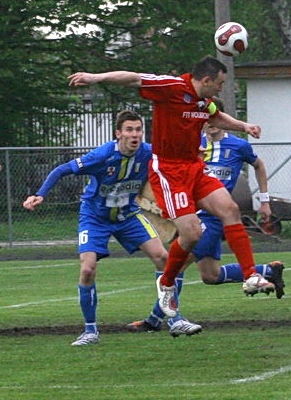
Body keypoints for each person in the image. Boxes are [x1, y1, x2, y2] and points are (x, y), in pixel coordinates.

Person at [68, 56, 273, 319]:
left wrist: (243, 126)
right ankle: (166, 282)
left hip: (194, 168)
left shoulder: (204, 101)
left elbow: (216, 116)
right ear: (207, 80)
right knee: (191, 235)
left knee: (230, 209)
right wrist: (96, 77)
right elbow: (133, 77)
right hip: (169, 171)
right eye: (220, 83)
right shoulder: (171, 87)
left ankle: (251, 275)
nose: (222, 88)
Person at [23, 110, 201, 344]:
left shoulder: (149, 153)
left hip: (128, 215)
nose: (134, 135)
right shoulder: (102, 155)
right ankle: (90, 331)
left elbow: (174, 161)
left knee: (163, 258)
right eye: (129, 130)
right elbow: (61, 170)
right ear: (118, 133)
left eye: (138, 130)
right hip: (95, 216)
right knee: (87, 269)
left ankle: (175, 318)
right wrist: (40, 194)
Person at [126, 101, 285, 333]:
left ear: (221, 121)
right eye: (206, 121)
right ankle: (267, 271)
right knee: (210, 275)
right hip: (192, 213)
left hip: (212, 218)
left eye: (213, 120)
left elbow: (259, 165)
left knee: (177, 265)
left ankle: (155, 320)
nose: (210, 125)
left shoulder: (238, 146)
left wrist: (265, 200)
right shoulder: (194, 145)